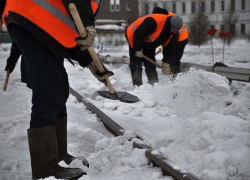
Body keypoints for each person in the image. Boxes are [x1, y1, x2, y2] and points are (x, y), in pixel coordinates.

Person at [2, 0, 113, 179]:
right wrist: (87, 23)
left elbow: (68, 33)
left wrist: (90, 62)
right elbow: (76, 22)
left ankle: (58, 154)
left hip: (41, 25)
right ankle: (44, 166)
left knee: (60, 90)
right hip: (31, 18)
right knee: (48, 92)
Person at [125, 12, 183, 86]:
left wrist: (166, 62)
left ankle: (154, 84)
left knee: (150, 64)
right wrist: (137, 49)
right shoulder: (153, 22)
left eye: (176, 29)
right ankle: (137, 86)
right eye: (173, 28)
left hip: (149, 42)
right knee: (136, 64)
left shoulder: (174, 33)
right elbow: (138, 34)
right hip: (134, 36)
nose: (174, 30)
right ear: (170, 24)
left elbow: (169, 48)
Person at [152, 7, 189, 76]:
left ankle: (176, 75)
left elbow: (169, 34)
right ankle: (173, 73)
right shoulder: (167, 16)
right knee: (171, 58)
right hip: (178, 38)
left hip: (180, 39)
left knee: (175, 59)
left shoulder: (168, 18)